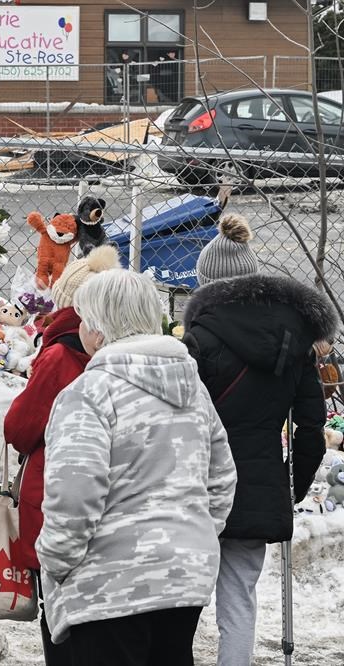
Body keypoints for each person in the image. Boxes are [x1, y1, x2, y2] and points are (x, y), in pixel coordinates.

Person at [37, 268, 237, 666]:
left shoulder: (90, 393)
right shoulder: (193, 389)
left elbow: (75, 493)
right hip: (184, 576)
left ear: (98, 328)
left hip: (108, 584)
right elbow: (222, 478)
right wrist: (192, 535)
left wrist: (56, 561)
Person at [182, 215, 336, 666]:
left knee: (185, 596)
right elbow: (311, 426)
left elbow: (179, 418)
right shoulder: (295, 343)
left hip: (198, 486)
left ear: (206, 284)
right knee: (239, 598)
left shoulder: (198, 340)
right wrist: (295, 487)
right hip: (259, 486)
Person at [4, 245, 118, 665]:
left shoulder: (59, 354)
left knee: (59, 619)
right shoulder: (123, 353)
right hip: (112, 507)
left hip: (54, 496)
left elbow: (19, 430)